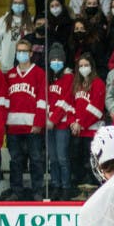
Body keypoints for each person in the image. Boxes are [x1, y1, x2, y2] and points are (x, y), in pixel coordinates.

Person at [4, 39, 47, 201]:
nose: (21, 54)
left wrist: (38, 122)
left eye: (24, 51)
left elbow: (42, 101)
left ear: (30, 53)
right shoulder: (10, 75)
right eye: (19, 51)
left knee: (36, 159)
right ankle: (16, 191)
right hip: (13, 127)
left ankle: (37, 191)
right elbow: (6, 101)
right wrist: (5, 124)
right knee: (15, 161)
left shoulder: (39, 73)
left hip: (32, 127)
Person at [67, 53, 105, 197]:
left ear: (92, 66)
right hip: (77, 131)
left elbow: (96, 109)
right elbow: (71, 106)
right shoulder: (77, 85)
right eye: (81, 66)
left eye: (86, 65)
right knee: (77, 161)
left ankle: (93, 193)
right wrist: (72, 123)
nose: (83, 68)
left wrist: (80, 124)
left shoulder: (98, 84)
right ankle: (80, 192)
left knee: (91, 164)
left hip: (92, 131)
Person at [45, 45, 72, 200]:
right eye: (53, 59)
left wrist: (53, 119)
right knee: (53, 158)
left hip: (61, 124)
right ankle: (55, 185)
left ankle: (66, 187)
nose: (56, 62)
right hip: (48, 125)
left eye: (58, 59)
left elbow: (65, 101)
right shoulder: (48, 78)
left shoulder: (68, 78)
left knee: (62, 157)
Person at [0, 0, 34, 73]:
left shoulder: (31, 21)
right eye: (15, 3)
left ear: (25, 5)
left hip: (27, 65)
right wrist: (1, 58)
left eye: (20, 3)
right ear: (11, 4)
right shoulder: (3, 21)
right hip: (8, 66)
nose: (18, 5)